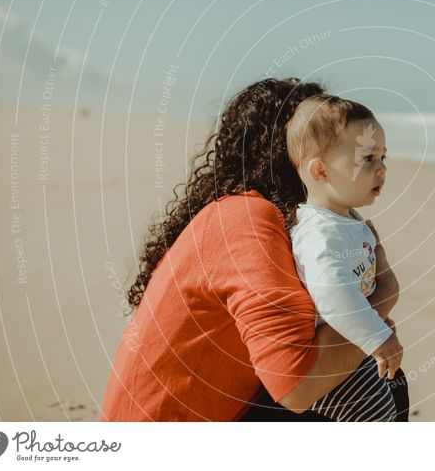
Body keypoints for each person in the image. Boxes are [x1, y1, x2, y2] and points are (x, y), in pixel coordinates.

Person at [100, 77, 407, 421]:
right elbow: (296, 388)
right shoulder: (246, 220)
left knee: (375, 374)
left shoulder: (244, 211)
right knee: (378, 377)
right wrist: (384, 297)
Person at [282, 94, 402, 422]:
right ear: (320, 170)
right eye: (367, 159)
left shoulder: (345, 220)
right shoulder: (319, 232)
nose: (381, 168)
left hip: (356, 348)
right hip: (335, 364)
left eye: (383, 157)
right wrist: (376, 336)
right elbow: (332, 295)